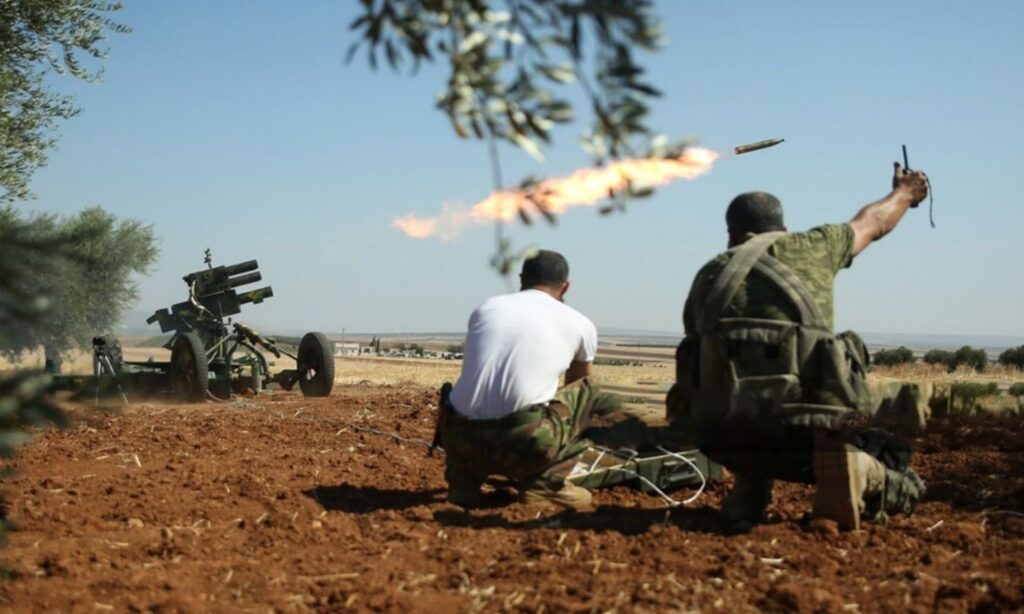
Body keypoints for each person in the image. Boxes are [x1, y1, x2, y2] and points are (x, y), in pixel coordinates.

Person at [667, 162, 930, 530]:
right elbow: (873, 222)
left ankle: (750, 492)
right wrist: (906, 193)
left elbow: (697, 355)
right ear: (785, 230)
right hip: (805, 436)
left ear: (731, 235)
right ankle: (858, 469)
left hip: (722, 435)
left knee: (741, 384)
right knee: (888, 453)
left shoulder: (710, 274)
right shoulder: (813, 247)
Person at [440, 249, 611, 510]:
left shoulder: (485, 308)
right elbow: (579, 386)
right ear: (565, 287)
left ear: (522, 279)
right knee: (587, 396)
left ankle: (464, 482)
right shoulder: (580, 323)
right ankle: (546, 487)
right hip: (524, 443)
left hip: (462, 440)